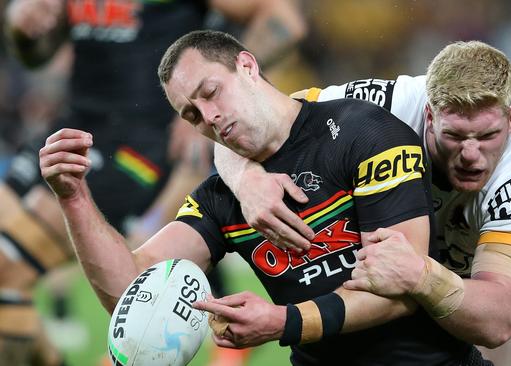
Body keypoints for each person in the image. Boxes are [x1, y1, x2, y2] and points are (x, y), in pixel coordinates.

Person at [40, 30, 491, 365]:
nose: (210, 117)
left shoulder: (364, 133)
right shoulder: (221, 196)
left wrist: (284, 322)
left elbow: (405, 285)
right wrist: (74, 196)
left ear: (248, 66)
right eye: (192, 114)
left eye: (212, 92)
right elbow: (129, 289)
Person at [211, 40, 511, 365]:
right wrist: (246, 179)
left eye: (489, 136)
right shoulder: (383, 104)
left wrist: (419, 272)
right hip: (449, 274)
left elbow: (498, 318)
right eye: (455, 136)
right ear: (429, 113)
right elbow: (252, 115)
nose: (472, 154)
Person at [1, 1, 306, 365]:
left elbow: (283, 19)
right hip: (75, 124)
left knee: (7, 272)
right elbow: (37, 55)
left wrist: (212, 96)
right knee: (6, 285)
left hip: (139, 145)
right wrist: (23, 31)